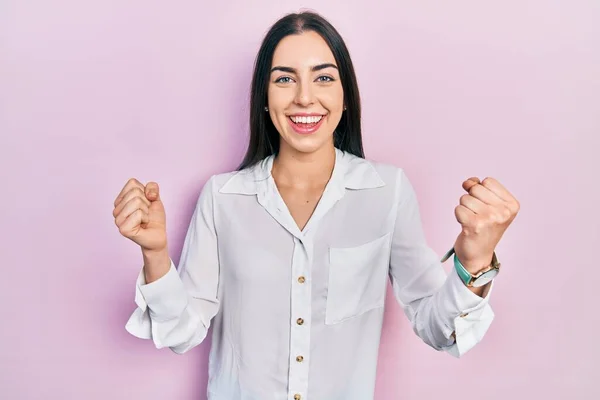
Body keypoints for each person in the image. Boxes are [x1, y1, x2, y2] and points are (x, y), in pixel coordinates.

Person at [112, 11, 520, 400]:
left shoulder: (387, 191)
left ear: (345, 97)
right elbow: (182, 333)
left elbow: (439, 328)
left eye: (323, 77)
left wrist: (476, 260)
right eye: (285, 79)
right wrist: (155, 253)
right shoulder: (222, 198)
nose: (305, 98)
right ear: (264, 99)